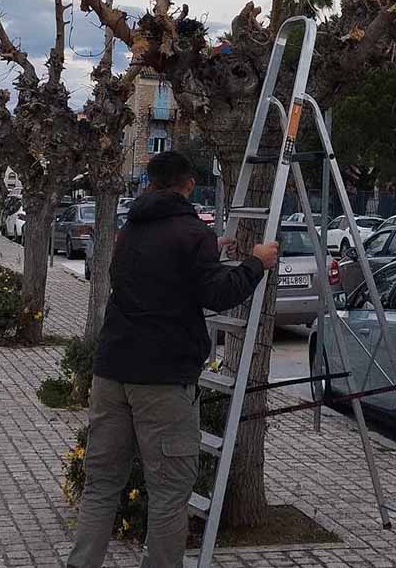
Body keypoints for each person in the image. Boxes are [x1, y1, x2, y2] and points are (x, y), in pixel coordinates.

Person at [66, 151, 279, 568]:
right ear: (188, 186)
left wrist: (209, 250)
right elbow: (217, 295)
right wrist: (257, 262)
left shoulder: (130, 230)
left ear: (150, 182)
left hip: (111, 373)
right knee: (168, 493)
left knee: (101, 485)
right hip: (162, 379)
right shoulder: (190, 233)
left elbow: (156, 269)